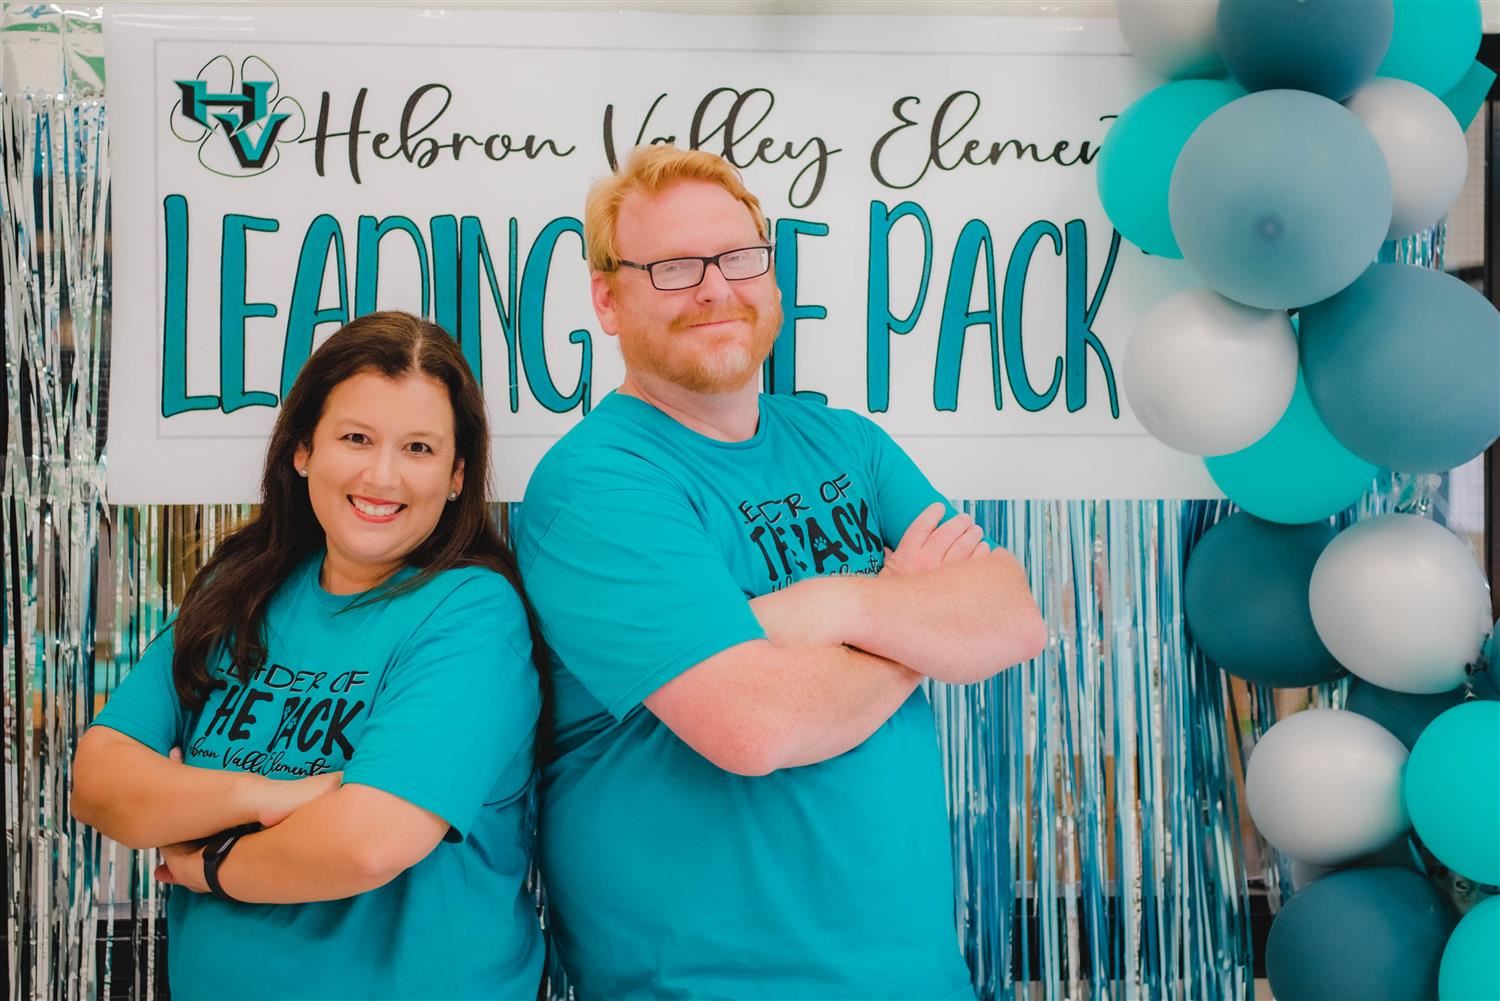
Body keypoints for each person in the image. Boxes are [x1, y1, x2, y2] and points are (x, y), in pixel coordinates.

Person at [517, 145, 1047, 1000]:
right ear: (607, 300)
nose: (714, 288)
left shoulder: (847, 442)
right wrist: (911, 618)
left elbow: (1011, 616)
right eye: (674, 266)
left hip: (919, 978)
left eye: (739, 257)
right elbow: (753, 726)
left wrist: (832, 603)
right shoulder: (597, 484)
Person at [71, 312, 544, 1001]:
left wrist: (208, 861)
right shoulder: (242, 587)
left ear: (455, 475)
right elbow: (98, 780)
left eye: (418, 448)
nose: (382, 475)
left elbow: (366, 843)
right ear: (303, 450)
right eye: (356, 438)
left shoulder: (472, 613)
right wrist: (271, 796)